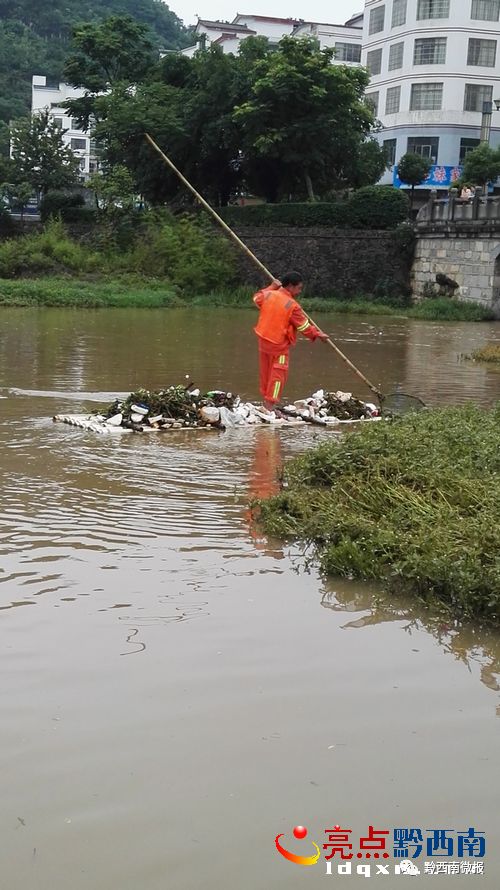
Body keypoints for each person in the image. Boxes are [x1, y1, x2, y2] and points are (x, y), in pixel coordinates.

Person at [253, 271, 328, 409]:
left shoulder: (268, 294)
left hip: (263, 341)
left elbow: (256, 298)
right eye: (299, 288)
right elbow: (304, 326)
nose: (299, 291)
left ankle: (265, 402)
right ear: (290, 286)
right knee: (278, 375)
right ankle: (269, 406)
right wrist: (317, 334)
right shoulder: (292, 306)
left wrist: (271, 286)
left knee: (266, 372)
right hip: (279, 346)